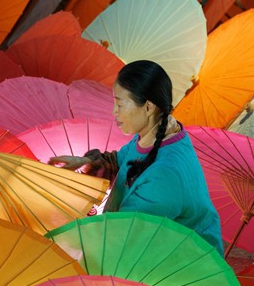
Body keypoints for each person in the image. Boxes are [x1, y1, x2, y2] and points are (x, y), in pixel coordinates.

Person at [49, 60, 224, 254]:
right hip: (138, 238)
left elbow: (125, 234)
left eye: (120, 104)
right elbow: (121, 161)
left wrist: (68, 233)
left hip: (182, 261)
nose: (114, 112)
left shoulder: (165, 175)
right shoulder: (156, 131)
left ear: (148, 107)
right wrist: (87, 162)